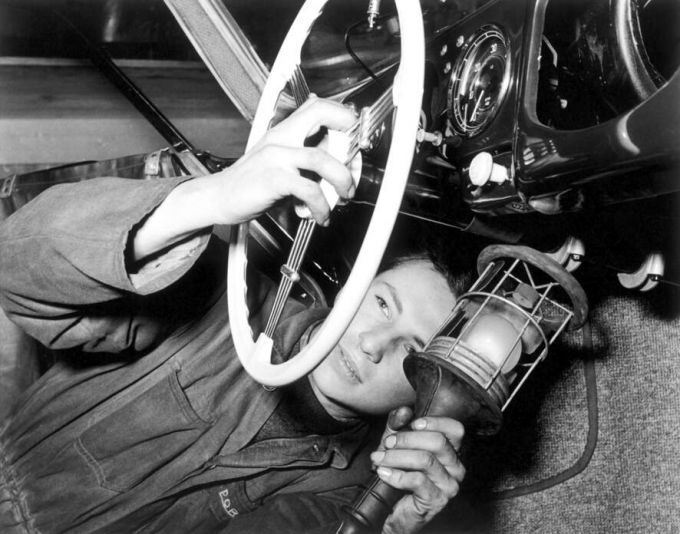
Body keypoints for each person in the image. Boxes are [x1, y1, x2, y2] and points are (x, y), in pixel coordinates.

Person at [0, 97, 466, 533]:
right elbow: (17, 271)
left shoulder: (356, 490)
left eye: (412, 352)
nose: (373, 344)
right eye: (382, 304)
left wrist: (382, 524)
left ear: (428, 394)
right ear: (353, 284)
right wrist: (210, 198)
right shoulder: (221, 298)